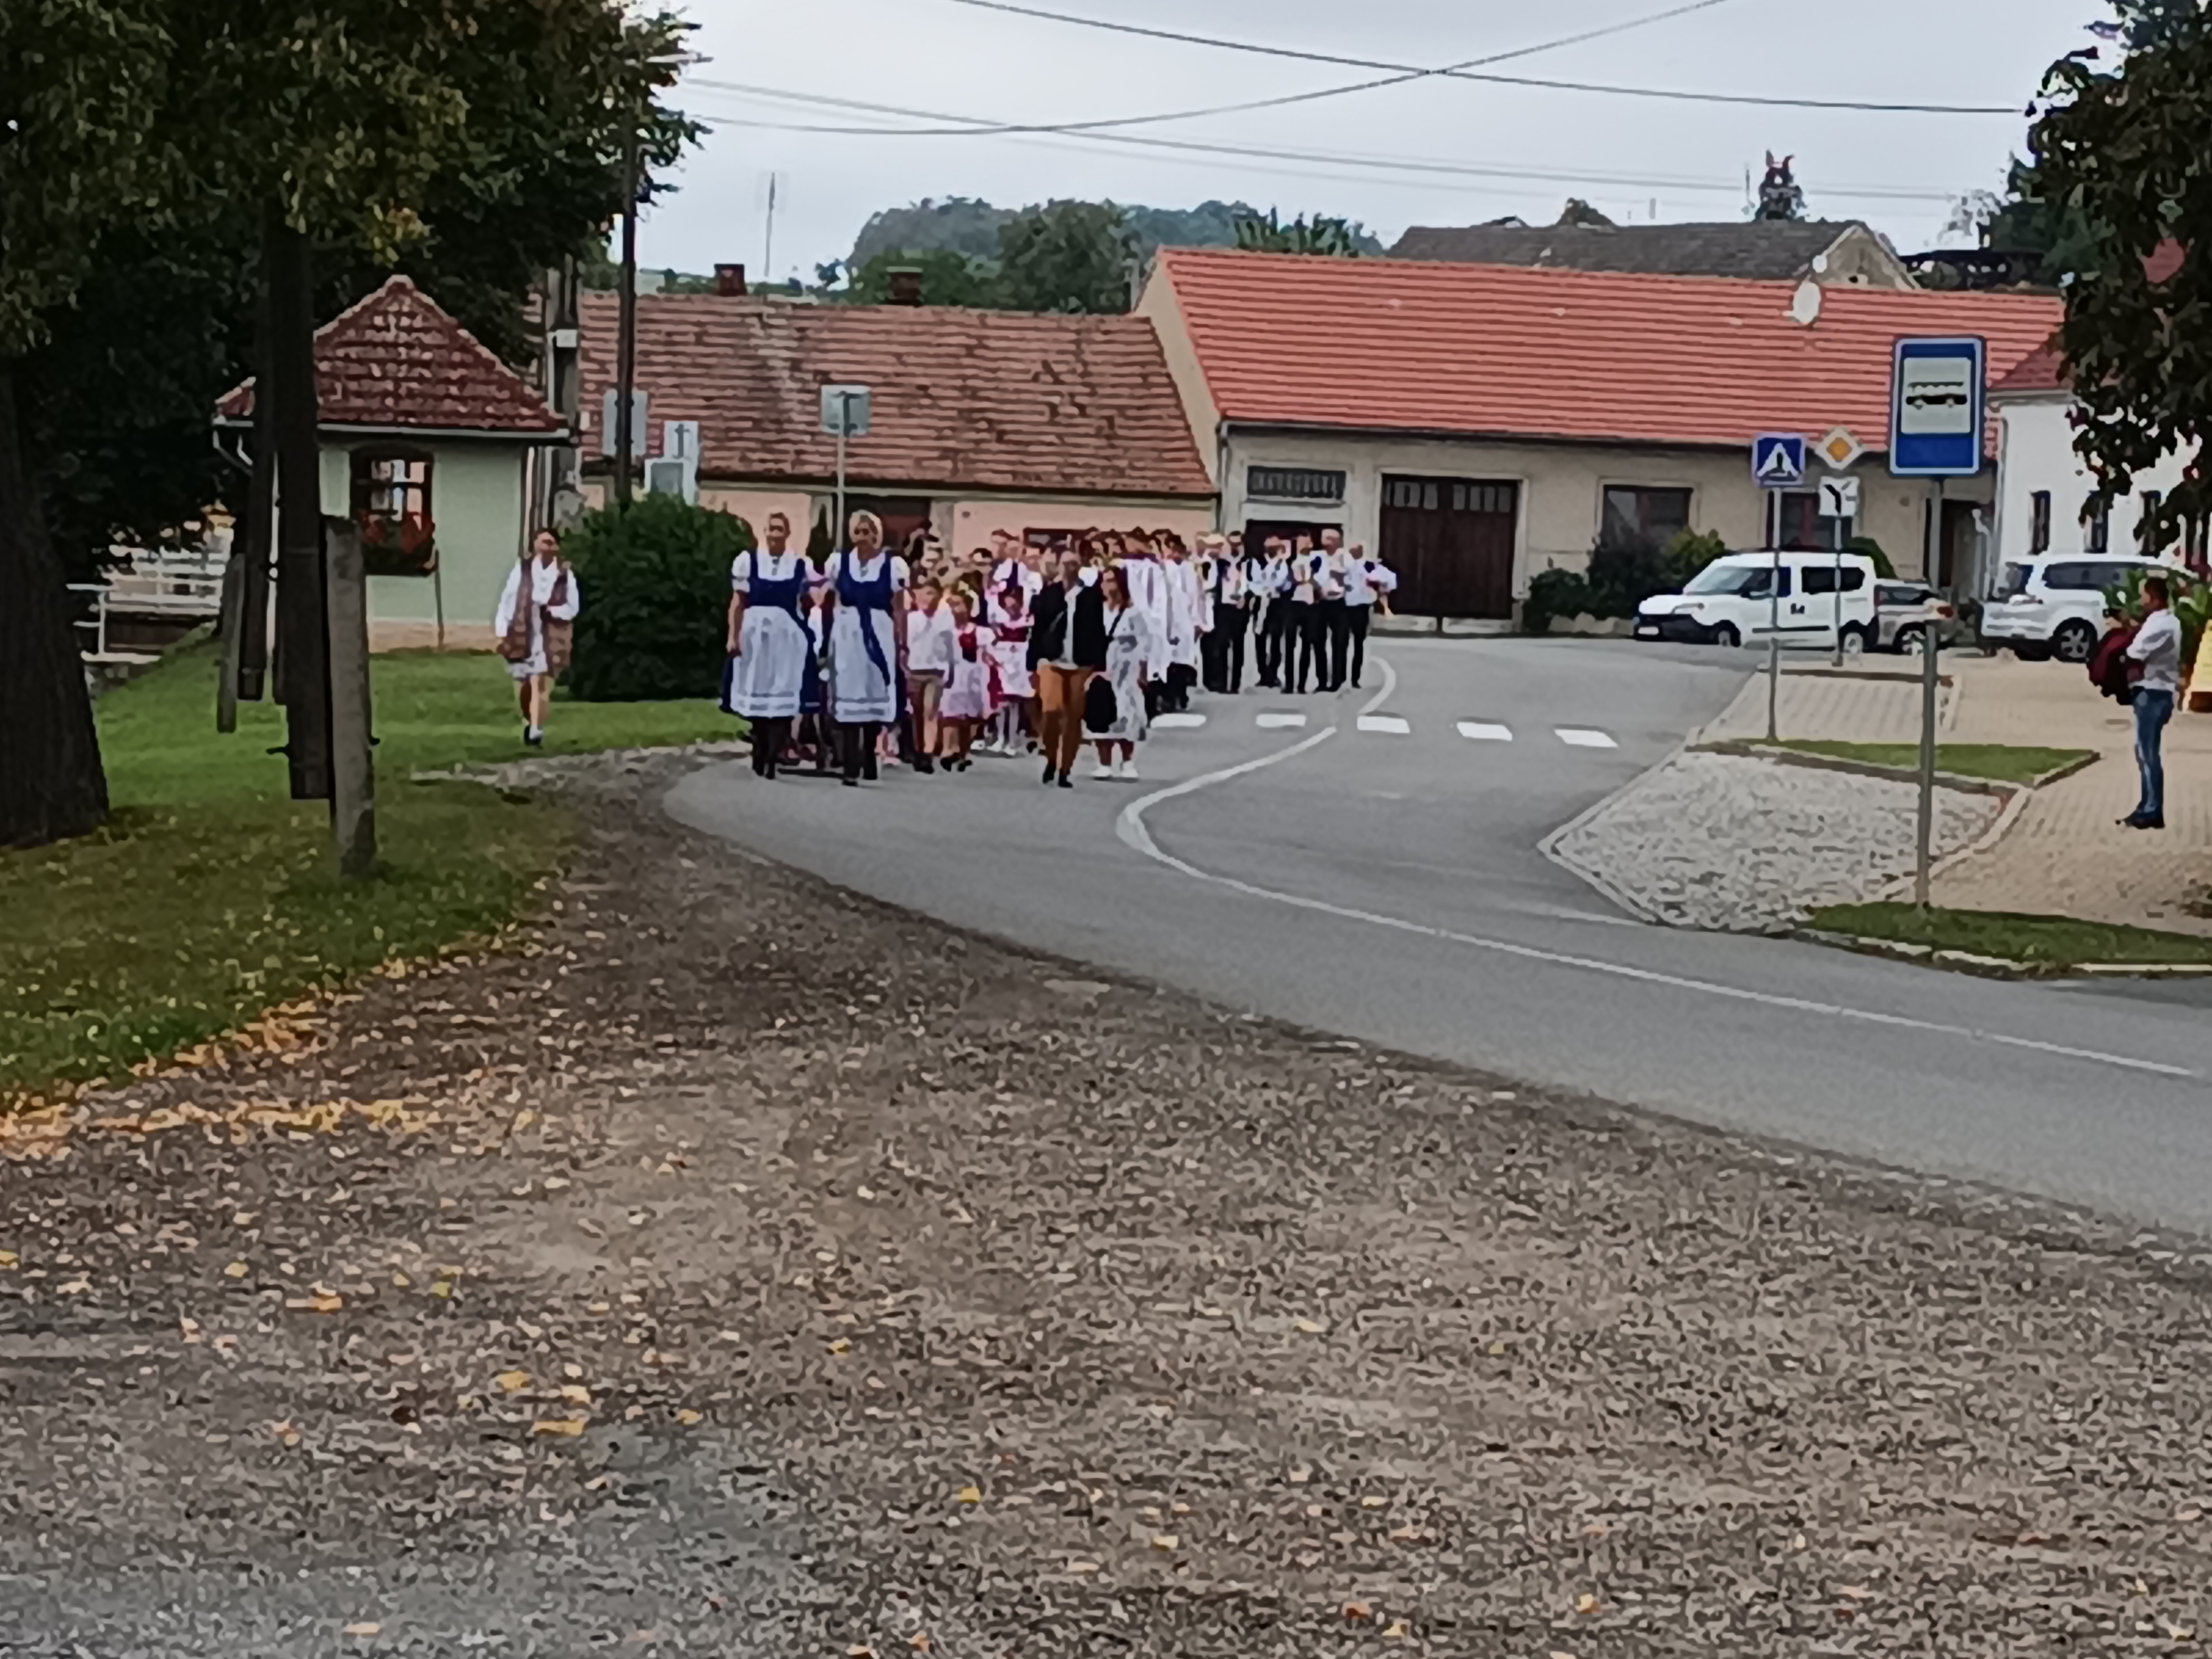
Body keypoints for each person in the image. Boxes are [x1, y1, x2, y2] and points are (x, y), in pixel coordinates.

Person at [721, 512, 815, 779]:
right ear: (765, 532)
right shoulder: (749, 561)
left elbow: (812, 601)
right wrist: (733, 635)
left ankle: (774, 755)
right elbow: (738, 602)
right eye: (771, 529)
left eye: (780, 529)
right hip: (756, 636)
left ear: (787, 533)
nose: (775, 534)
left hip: (786, 637)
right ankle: (760, 749)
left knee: (783, 694)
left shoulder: (799, 565)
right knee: (758, 691)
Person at [824, 510, 909, 785]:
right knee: (849, 690)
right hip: (848, 631)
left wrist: (902, 641)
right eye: (858, 531)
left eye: (868, 532)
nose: (863, 537)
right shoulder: (839, 563)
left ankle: (870, 754)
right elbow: (830, 600)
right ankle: (851, 762)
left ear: (877, 534)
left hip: (879, 629)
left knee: (873, 689)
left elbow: (899, 608)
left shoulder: (892, 565)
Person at [1027, 547, 1107, 787]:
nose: (1069, 568)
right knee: (1052, 711)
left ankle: (1065, 768)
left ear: (1080, 567)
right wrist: (1032, 662)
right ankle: (1051, 757)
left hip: (1080, 662)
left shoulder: (1090, 596)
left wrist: (1099, 665)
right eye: (1065, 563)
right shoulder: (1049, 593)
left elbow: (1098, 631)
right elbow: (1038, 628)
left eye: (1073, 564)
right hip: (1052, 660)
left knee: (1073, 717)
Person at [494, 528, 581, 747]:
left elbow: (573, 607)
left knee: (539, 681)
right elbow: (508, 599)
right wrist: (502, 629)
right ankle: (529, 719)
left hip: (549, 633)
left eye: (550, 543)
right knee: (524, 684)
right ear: (534, 545)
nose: (545, 547)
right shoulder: (522, 569)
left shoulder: (564, 575)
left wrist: (553, 610)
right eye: (542, 542)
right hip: (522, 630)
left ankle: (536, 729)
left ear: (557, 547)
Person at [2122, 574, 2183, 830]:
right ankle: (2146, 805)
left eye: (2144, 595)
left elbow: (2134, 652)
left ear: (2154, 597)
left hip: (2154, 692)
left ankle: (2152, 810)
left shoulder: (2162, 624)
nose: (2141, 600)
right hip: (2152, 690)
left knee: (2148, 753)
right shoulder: (2162, 621)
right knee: (2144, 752)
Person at [1089, 562, 1151, 779]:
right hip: (1101, 664)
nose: (1108, 586)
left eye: (1112, 581)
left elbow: (1144, 641)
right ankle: (1104, 762)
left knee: (1126, 711)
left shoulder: (1133, 612)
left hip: (1126, 666)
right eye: (1104, 582)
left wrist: (1143, 670)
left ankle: (1127, 762)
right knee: (1100, 710)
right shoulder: (1096, 610)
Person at [937, 587, 994, 771]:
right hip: (951, 674)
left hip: (973, 677)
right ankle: (948, 749)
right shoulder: (944, 631)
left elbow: (988, 656)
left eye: (957, 604)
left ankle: (963, 753)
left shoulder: (980, 632)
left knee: (968, 718)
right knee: (950, 715)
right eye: (950, 605)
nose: (953, 609)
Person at [904, 577, 955, 774]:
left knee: (930, 711)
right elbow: (906, 644)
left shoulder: (945, 617)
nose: (928, 598)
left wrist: (951, 669)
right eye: (925, 593)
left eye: (932, 593)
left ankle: (928, 753)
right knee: (916, 713)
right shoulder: (912, 618)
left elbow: (950, 646)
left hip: (936, 670)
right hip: (915, 669)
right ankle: (918, 750)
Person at [985, 579, 1036, 755]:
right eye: (1008, 605)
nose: (1011, 609)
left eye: (1015, 605)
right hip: (1003, 662)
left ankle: (1012, 741)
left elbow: (1031, 641)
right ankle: (1000, 737)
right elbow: (991, 641)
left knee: (1014, 704)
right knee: (1001, 703)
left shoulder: (1028, 620)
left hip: (1019, 663)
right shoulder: (999, 621)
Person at [1340, 541, 1397, 691]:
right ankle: (1340, 676)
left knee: (1359, 643)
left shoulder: (1369, 565)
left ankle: (1355, 678)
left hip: (1362, 606)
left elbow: (1390, 579)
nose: (1352, 553)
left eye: (1354, 550)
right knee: (1342, 642)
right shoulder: (1345, 565)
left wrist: (1379, 583)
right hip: (1345, 606)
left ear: (1360, 551)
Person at [1161, 534, 1204, 712]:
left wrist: (1198, 621)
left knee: (1183, 661)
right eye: (1170, 549)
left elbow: (1197, 597)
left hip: (1185, 620)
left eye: (1176, 549)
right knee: (1168, 661)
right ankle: (1169, 697)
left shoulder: (1190, 569)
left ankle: (1182, 693)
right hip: (1166, 620)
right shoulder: (1162, 569)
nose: (1173, 553)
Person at [1287, 534, 1326, 695]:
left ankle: (1305, 684)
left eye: (1305, 542)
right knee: (1290, 645)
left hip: (1312, 606)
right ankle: (1289, 684)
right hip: (1294, 604)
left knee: (1309, 645)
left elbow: (1322, 582)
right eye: (1299, 543)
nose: (1302, 545)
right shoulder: (1291, 561)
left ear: (1311, 544)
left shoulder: (1318, 561)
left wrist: (1313, 581)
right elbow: (1289, 581)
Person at [1314, 529, 1352, 693]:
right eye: (1324, 538)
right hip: (1320, 603)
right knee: (1318, 642)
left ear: (1338, 541)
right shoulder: (1317, 557)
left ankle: (1338, 679)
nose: (1326, 542)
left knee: (1340, 642)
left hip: (1340, 604)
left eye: (1330, 539)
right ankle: (1322, 680)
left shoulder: (1346, 558)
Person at [1254, 536, 1292, 689]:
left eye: (1274, 547)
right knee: (1260, 639)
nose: (1271, 550)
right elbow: (1253, 580)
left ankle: (1273, 674)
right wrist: (1261, 590)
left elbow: (1284, 582)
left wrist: (1274, 588)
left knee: (1276, 639)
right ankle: (1263, 674)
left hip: (1277, 604)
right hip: (1260, 601)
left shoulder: (1282, 564)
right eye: (1269, 547)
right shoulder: (1258, 563)